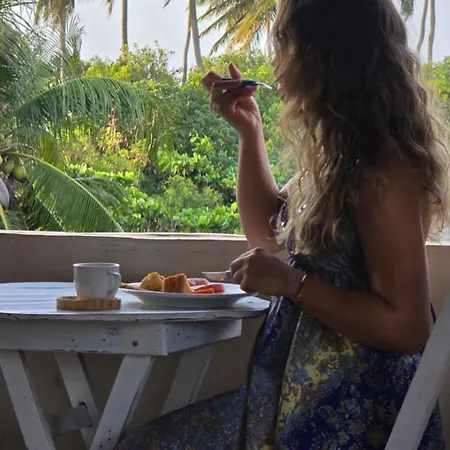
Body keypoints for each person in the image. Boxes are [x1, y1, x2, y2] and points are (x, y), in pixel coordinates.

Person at [117, 0, 449, 448]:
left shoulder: (384, 171)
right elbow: (267, 231)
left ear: (323, 55)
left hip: (351, 417)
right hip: (291, 402)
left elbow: (408, 327)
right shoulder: (339, 158)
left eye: (284, 43)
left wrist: (292, 283)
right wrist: (249, 131)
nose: (276, 61)